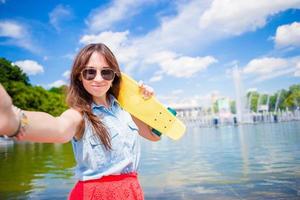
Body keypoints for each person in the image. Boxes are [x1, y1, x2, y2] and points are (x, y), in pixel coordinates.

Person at [0, 43, 161, 200]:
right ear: (79, 76)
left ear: (114, 77)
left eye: (106, 73)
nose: (98, 79)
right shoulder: (79, 114)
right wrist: (14, 120)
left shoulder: (126, 111)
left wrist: (147, 105)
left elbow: (155, 135)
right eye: (90, 72)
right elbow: (59, 128)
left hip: (131, 191)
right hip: (94, 194)